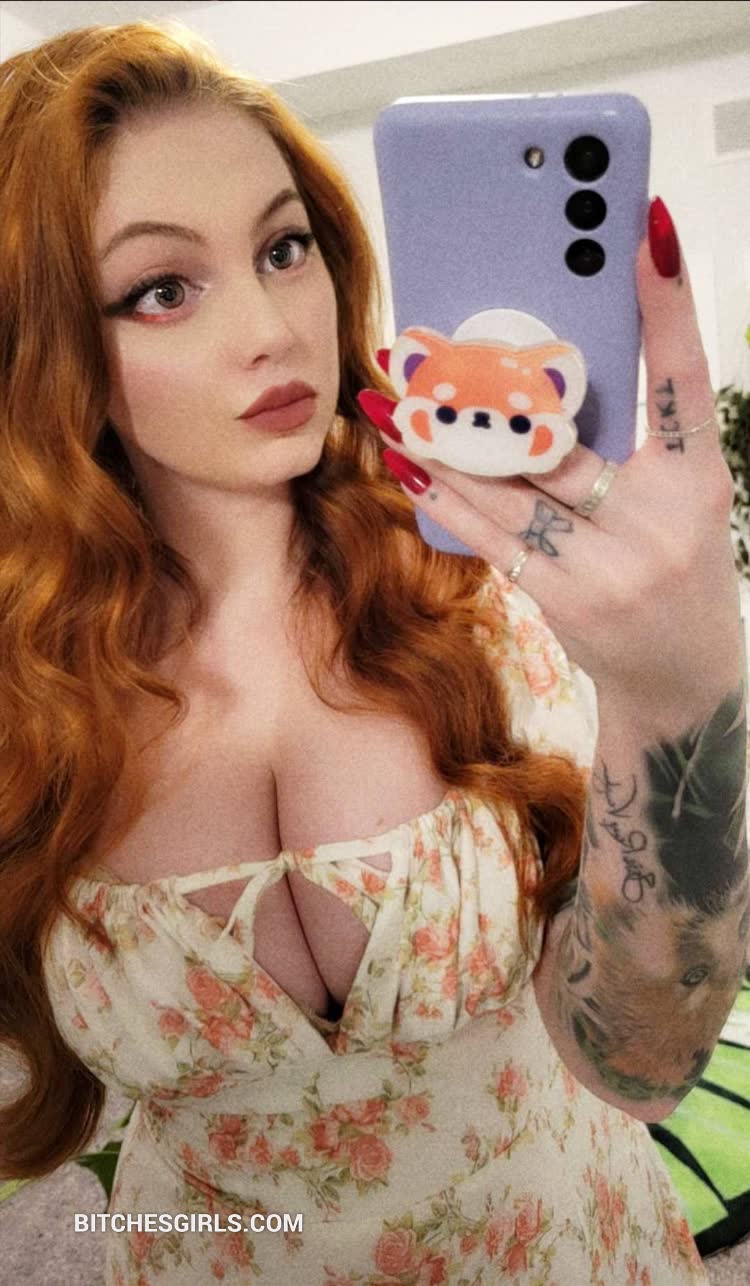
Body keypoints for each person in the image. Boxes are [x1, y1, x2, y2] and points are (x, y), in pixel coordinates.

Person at [0, 18, 747, 1286]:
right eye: (163, 288)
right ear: (40, 343)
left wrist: (685, 689)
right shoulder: (28, 687)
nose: (274, 327)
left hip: (559, 1242)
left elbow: (640, 1060)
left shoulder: (482, 583)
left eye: (283, 248)